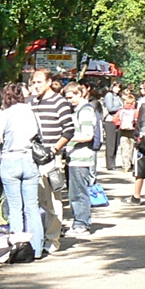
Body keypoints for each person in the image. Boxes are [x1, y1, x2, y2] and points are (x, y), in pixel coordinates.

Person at [0, 83, 43, 258]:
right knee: (32, 207)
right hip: (29, 160)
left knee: (15, 207)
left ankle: (18, 248)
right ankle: (37, 248)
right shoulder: (31, 112)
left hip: (10, 160)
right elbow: (38, 134)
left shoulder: (5, 114)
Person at [29, 68, 75, 252]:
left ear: (49, 82)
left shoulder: (60, 102)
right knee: (38, 200)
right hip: (32, 157)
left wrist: (54, 149)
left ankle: (52, 239)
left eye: (39, 82)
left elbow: (69, 130)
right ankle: (38, 237)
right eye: (33, 82)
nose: (36, 86)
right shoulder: (31, 102)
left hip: (51, 159)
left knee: (53, 200)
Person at [62, 81, 95, 236]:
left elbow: (88, 135)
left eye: (71, 97)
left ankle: (82, 223)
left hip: (81, 158)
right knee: (74, 192)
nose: (69, 100)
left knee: (79, 192)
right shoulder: (76, 110)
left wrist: (67, 138)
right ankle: (79, 221)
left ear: (80, 93)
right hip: (73, 158)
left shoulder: (85, 111)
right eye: (67, 98)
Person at [102, 82, 123, 170]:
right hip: (110, 121)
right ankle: (110, 164)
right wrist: (122, 109)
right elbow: (110, 108)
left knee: (116, 142)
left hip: (118, 121)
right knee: (111, 142)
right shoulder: (109, 95)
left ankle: (113, 162)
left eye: (119, 88)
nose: (118, 89)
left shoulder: (118, 96)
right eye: (117, 87)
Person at [115, 90, 137, 172]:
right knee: (131, 148)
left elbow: (115, 119)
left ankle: (125, 166)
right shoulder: (135, 111)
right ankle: (130, 164)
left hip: (123, 131)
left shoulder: (121, 111)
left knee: (124, 149)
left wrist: (120, 124)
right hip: (132, 131)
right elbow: (138, 120)